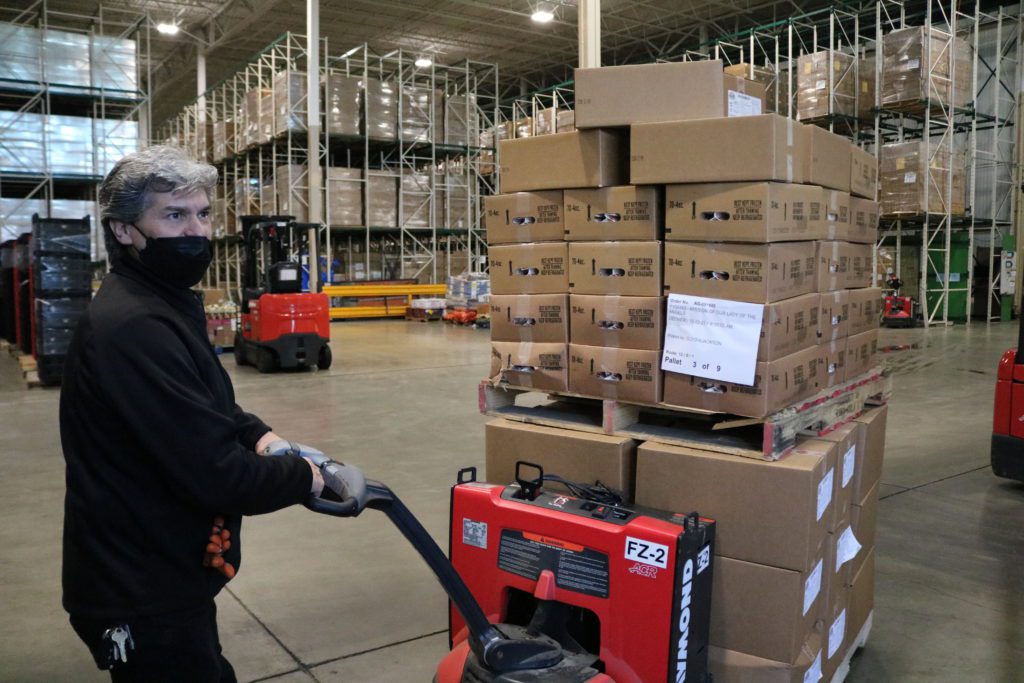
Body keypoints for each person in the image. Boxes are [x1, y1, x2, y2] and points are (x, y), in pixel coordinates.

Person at [60, 145, 326, 682]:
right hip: (138, 588)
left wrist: (266, 438)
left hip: (164, 568)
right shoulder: (134, 326)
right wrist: (305, 477)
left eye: (203, 213)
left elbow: (211, 405)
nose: (197, 232)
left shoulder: (163, 300)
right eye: (174, 215)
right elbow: (218, 476)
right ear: (124, 230)